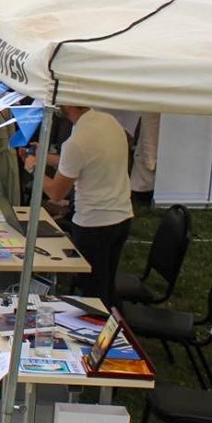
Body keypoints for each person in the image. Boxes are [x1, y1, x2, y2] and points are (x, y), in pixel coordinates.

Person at [24, 106, 133, 306]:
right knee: (106, 283)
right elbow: (81, 160)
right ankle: (114, 317)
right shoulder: (109, 122)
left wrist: (33, 168)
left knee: (93, 292)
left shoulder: (77, 141)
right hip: (122, 216)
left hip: (94, 224)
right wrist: (44, 157)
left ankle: (104, 322)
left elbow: (56, 193)